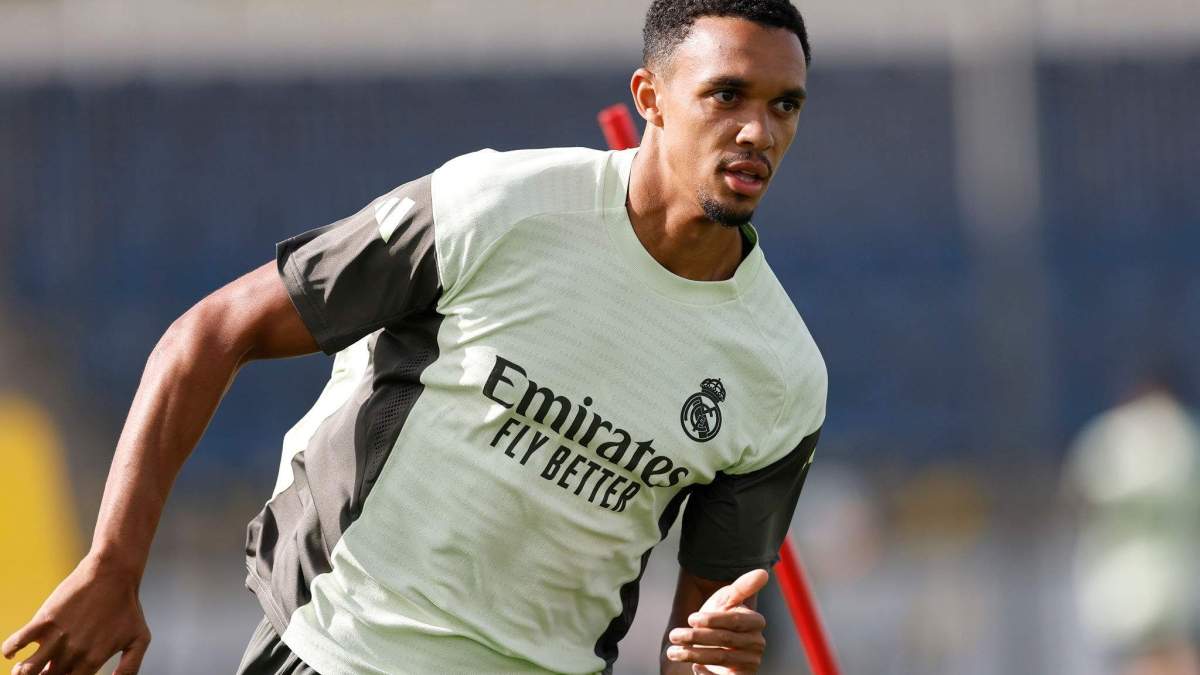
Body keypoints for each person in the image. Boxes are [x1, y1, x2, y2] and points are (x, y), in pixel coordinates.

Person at [3, 0, 826, 673]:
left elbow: (700, 642)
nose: (760, 130)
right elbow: (212, 331)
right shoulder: (499, 208)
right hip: (340, 647)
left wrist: (707, 662)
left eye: (783, 104)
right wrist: (112, 564)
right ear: (649, 98)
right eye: (728, 95)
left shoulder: (783, 374)